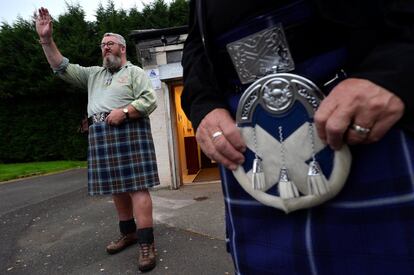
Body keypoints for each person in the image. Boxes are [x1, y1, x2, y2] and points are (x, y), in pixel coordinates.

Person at [182, 0, 414, 274]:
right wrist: (204, 105)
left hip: (362, 111)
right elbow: (196, 42)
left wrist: (397, 67)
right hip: (248, 138)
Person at [36, 7, 159, 272]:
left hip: (130, 130)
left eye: (110, 44)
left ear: (122, 48)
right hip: (101, 135)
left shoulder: (135, 72)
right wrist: (47, 40)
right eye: (102, 45)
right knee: (117, 188)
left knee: (138, 187)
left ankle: (147, 244)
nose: (105, 48)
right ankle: (128, 233)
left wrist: (125, 111)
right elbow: (61, 66)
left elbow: (150, 100)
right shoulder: (93, 74)